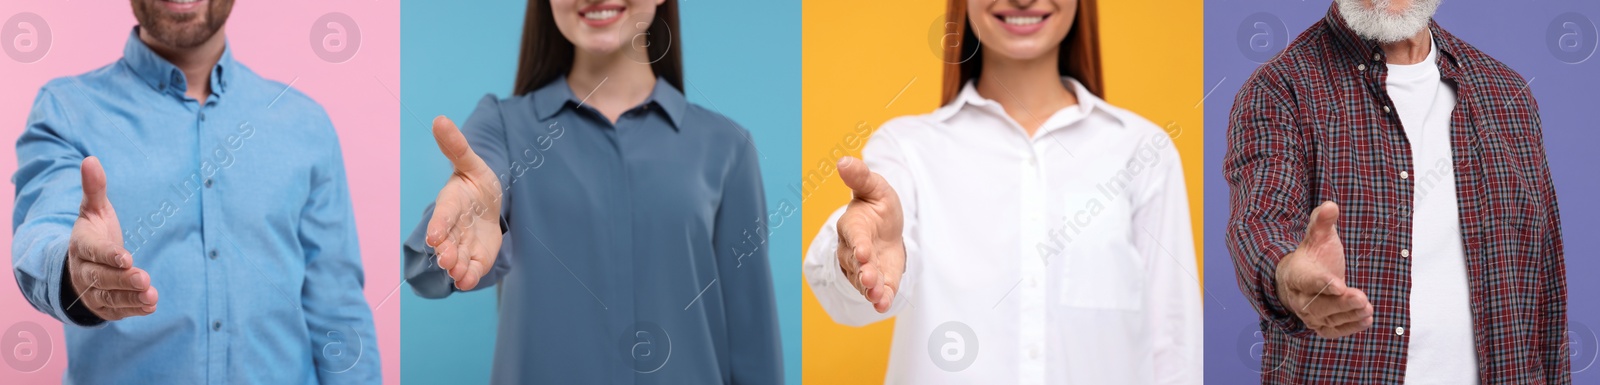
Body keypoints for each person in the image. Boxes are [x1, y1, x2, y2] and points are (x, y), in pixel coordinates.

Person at [802, 0, 1201, 383]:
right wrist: (856, 254)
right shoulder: (907, 149)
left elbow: (1176, 345)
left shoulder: (1142, 151)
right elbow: (848, 297)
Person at [400, 0, 783, 382]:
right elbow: (424, 272)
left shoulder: (727, 147)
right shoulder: (502, 125)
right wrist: (455, 232)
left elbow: (754, 346)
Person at [10, 0, 380, 383]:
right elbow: (41, 231)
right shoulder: (66, 109)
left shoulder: (306, 123)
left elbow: (337, 307)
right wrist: (74, 271)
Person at [1223, 0, 1567, 383]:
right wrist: (1288, 276)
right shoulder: (1279, 89)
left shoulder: (1506, 95)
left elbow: (1546, 282)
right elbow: (1260, 222)